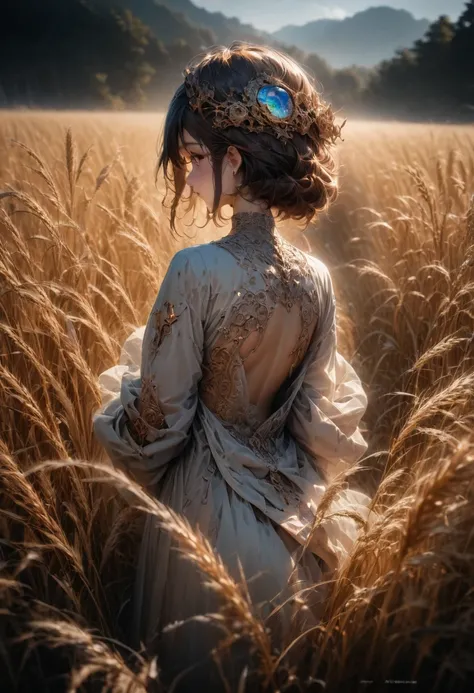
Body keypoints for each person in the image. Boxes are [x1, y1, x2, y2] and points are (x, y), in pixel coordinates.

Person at [92, 41, 376, 692]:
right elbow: (319, 419)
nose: (189, 178)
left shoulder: (196, 271)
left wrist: (116, 416)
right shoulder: (318, 279)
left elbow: (158, 422)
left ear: (236, 160)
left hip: (203, 532)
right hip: (289, 533)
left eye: (195, 158)